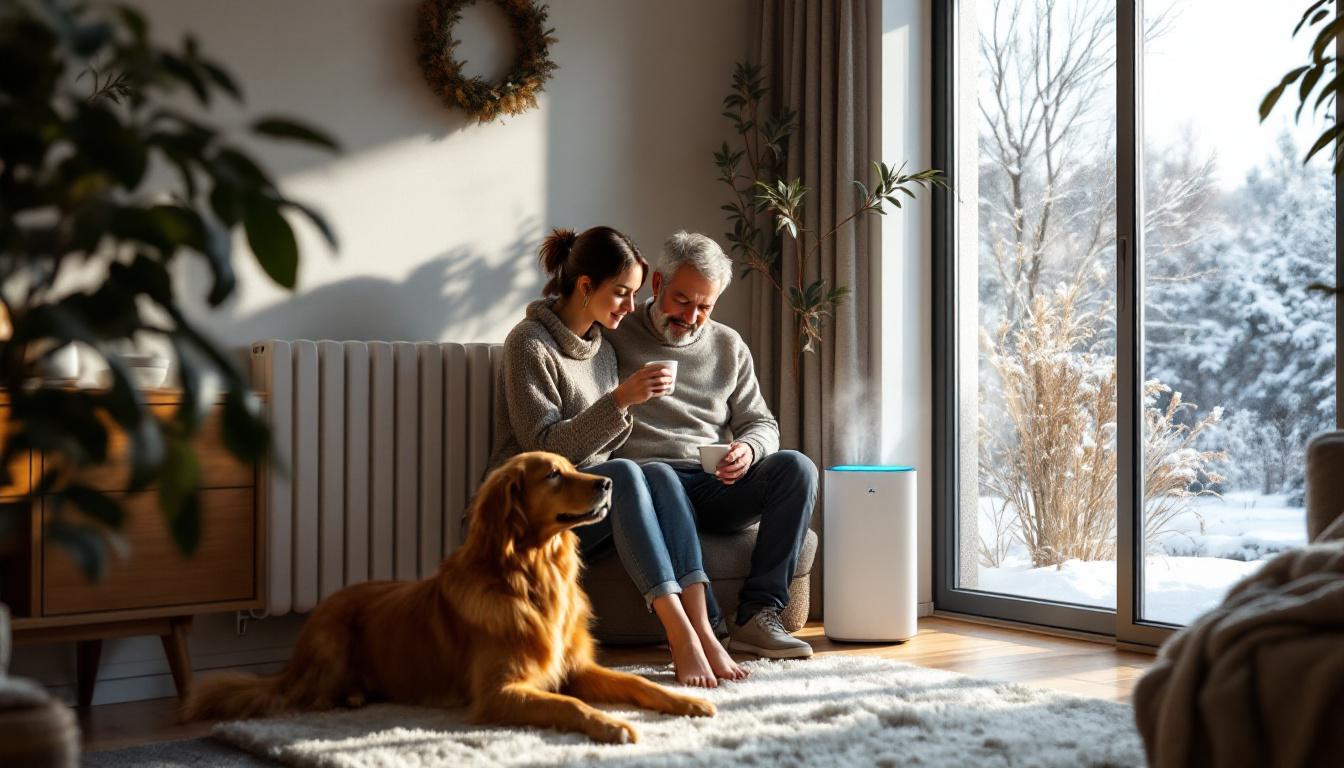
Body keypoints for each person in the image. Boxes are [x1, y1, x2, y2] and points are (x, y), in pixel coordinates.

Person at [487, 225, 747, 687]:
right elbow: (545, 451)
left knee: (659, 474)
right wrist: (620, 400)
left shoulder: (603, 350)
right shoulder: (528, 344)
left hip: (591, 505)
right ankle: (680, 635)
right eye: (622, 293)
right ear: (586, 286)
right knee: (627, 472)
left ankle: (704, 631)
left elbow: (606, 446)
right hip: (536, 507)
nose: (631, 307)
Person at [606, 231, 818, 660]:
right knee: (659, 475)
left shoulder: (727, 344)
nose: (691, 317)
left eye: (705, 307)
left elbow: (760, 422)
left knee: (797, 468)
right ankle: (708, 629)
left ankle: (758, 615)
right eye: (682, 301)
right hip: (647, 486)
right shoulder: (615, 334)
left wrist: (749, 450)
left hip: (710, 482)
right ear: (658, 283)